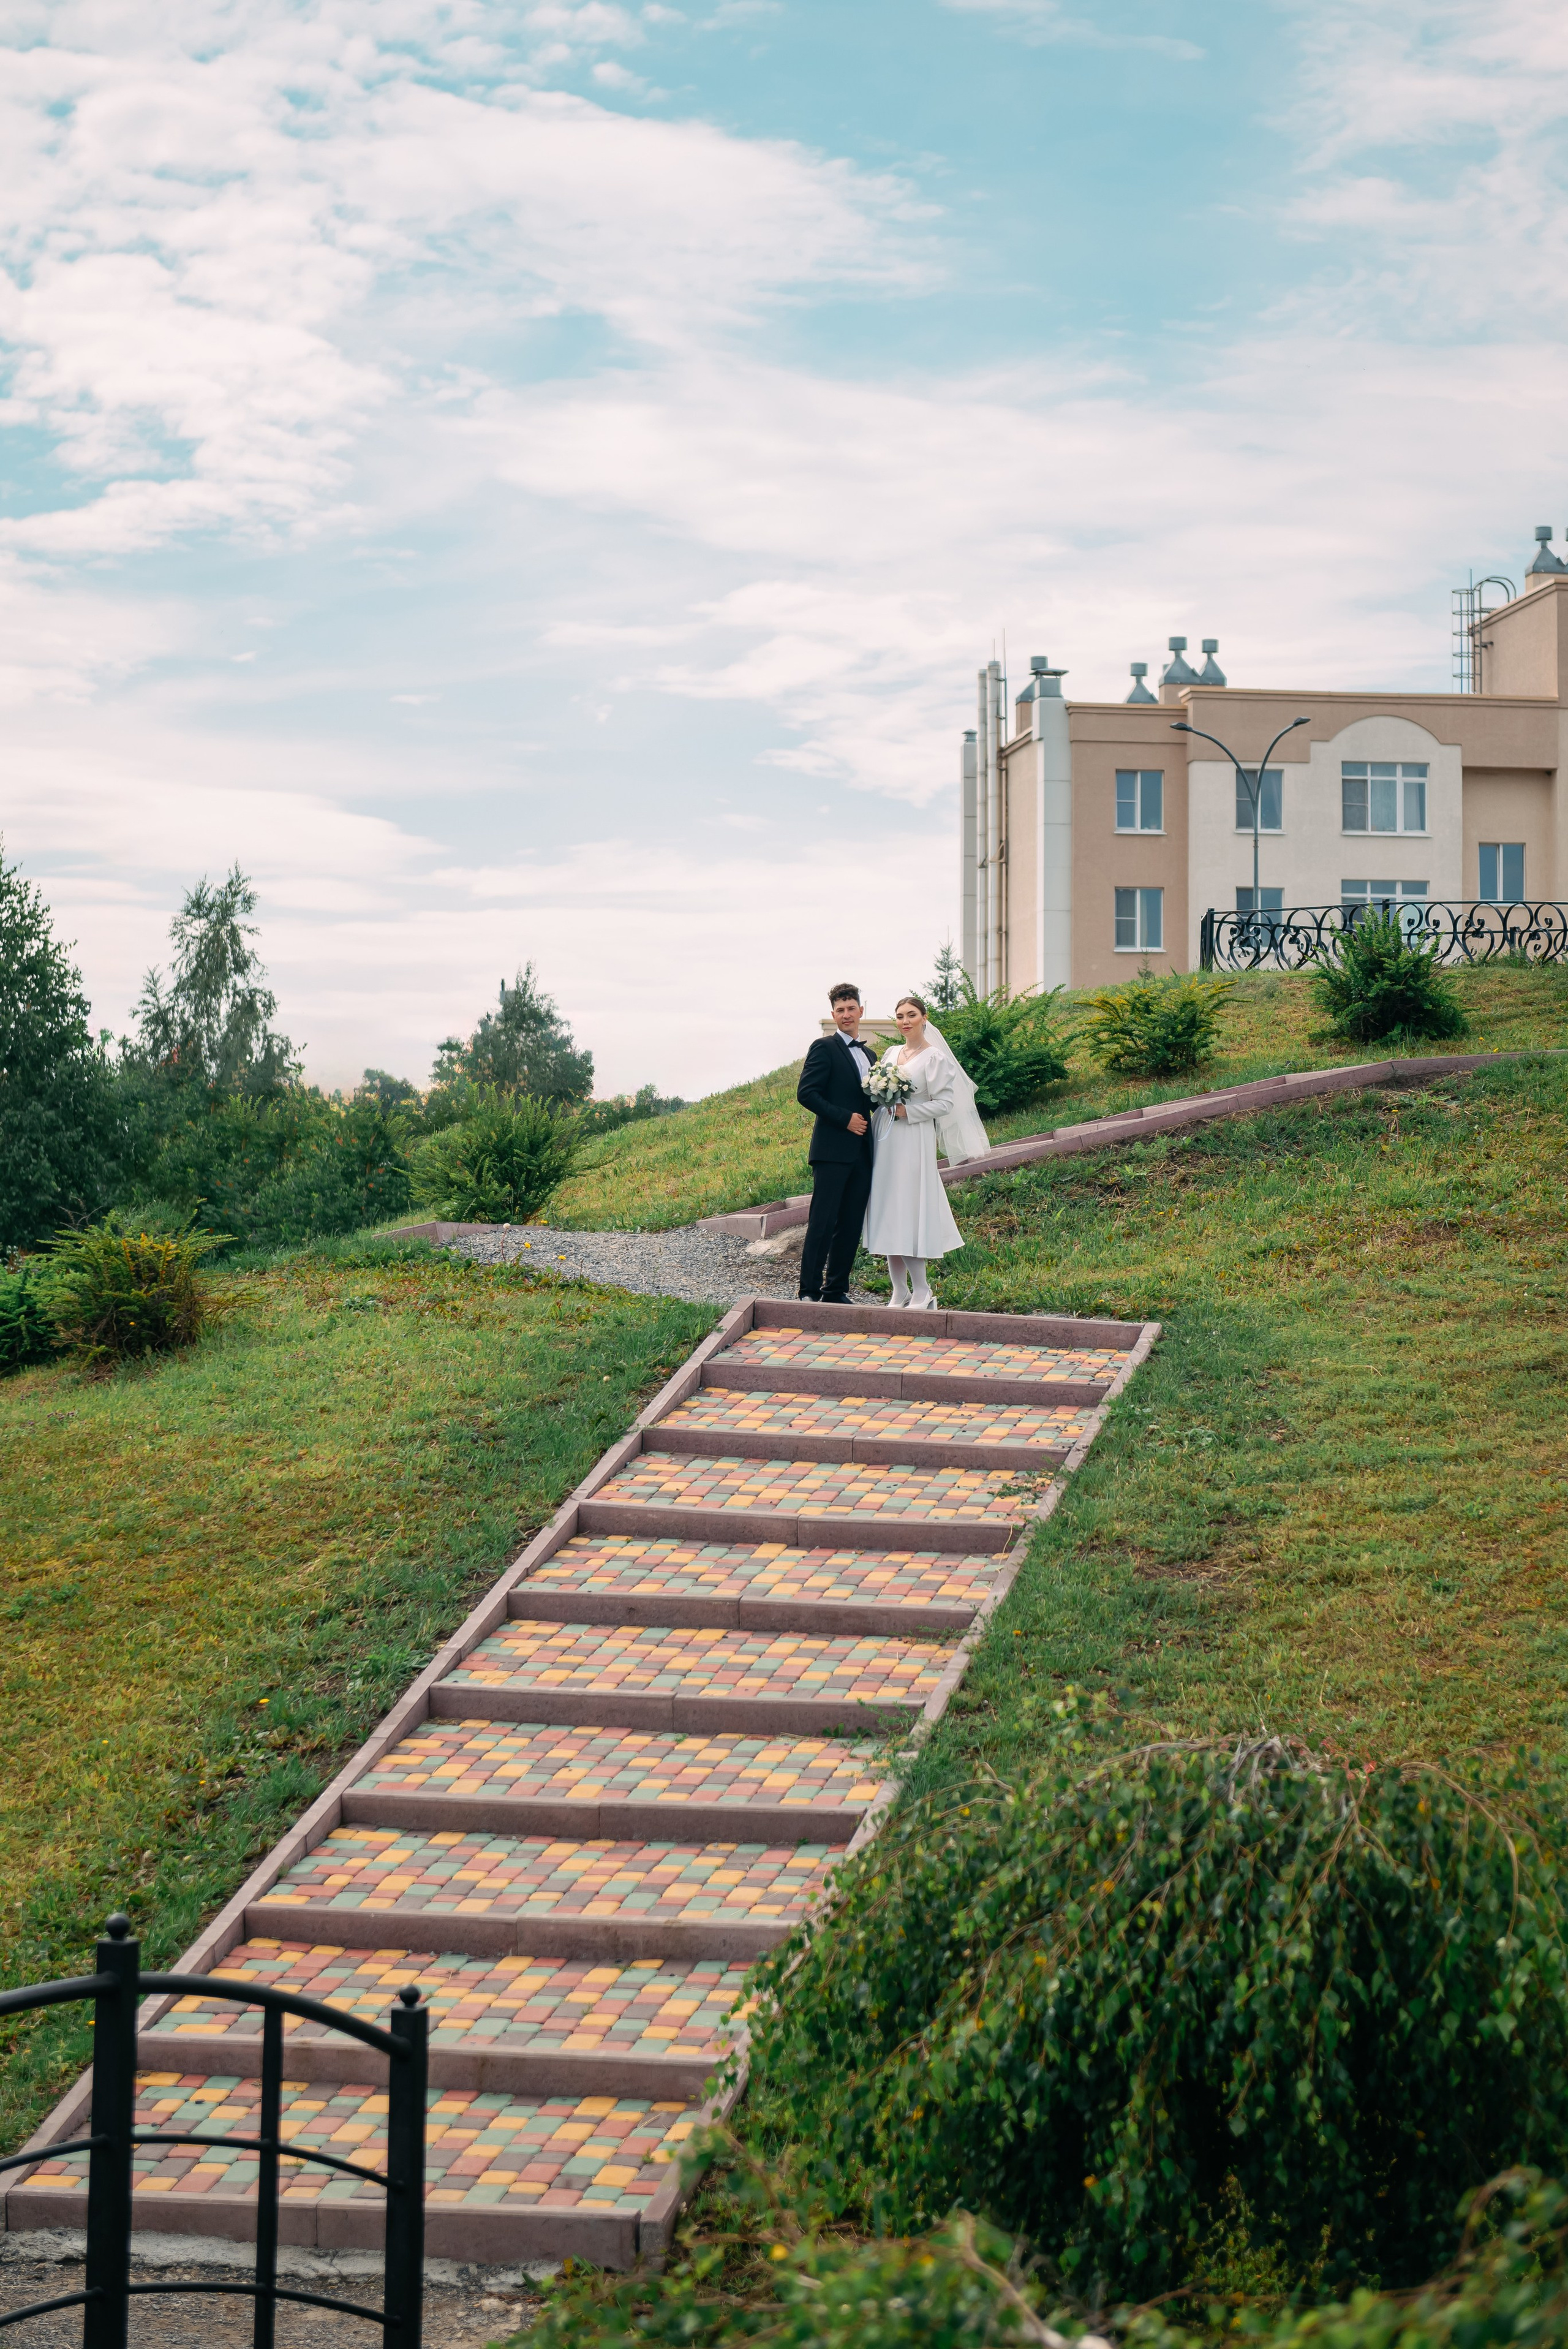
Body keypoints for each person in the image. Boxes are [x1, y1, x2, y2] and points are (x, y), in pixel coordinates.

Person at [862, 991, 990, 1308]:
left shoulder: (934, 1058)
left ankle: (922, 1291)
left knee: (909, 1207)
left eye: (911, 1015)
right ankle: (898, 1290)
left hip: (913, 1137)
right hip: (884, 1136)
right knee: (886, 1208)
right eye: (900, 1016)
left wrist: (909, 1112)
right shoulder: (891, 1053)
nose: (905, 1021)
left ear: (924, 1018)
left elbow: (946, 1103)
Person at [796, 983, 879, 1304]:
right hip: (831, 1151)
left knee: (850, 1223)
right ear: (834, 1015)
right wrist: (844, 1118)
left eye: (851, 1008)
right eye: (840, 1010)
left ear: (861, 1010)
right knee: (823, 1220)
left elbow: (870, 1100)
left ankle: (836, 1290)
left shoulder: (870, 1055)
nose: (846, 1014)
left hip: (863, 1152)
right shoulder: (823, 1047)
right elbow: (807, 1094)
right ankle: (808, 1291)